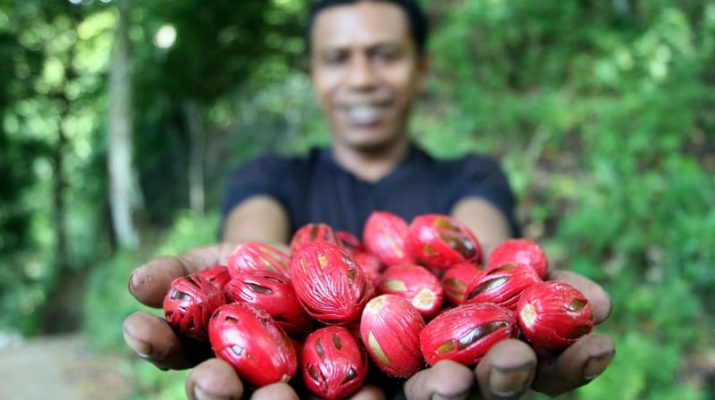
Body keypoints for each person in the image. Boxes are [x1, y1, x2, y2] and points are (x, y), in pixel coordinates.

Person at [122, 0, 616, 399]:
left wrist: (509, 291)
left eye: (384, 54)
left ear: (421, 67)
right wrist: (238, 278)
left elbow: (484, 250)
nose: (361, 78)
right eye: (338, 58)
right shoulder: (269, 175)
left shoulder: (473, 174)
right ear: (312, 72)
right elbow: (251, 249)